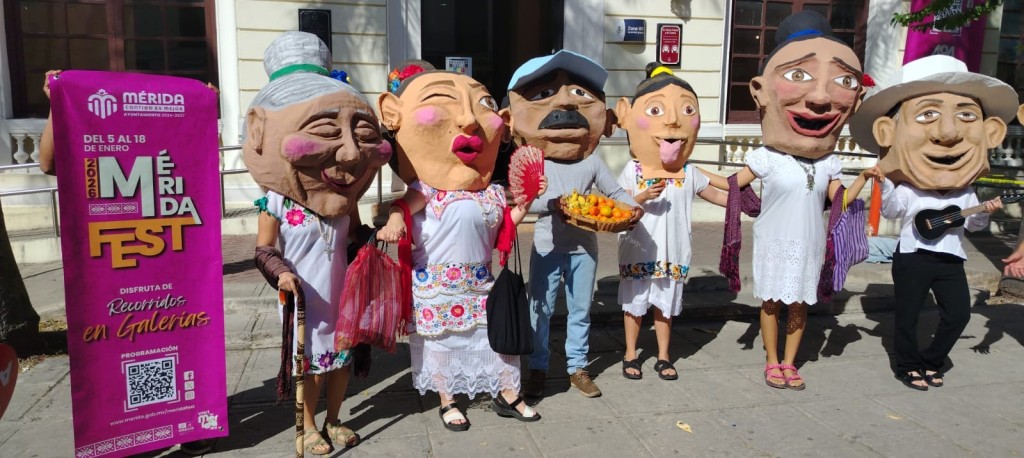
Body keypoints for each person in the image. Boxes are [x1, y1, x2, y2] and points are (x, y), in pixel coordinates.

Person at [37, 68, 220, 457]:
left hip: (173, 256)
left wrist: (204, 107)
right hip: (112, 264)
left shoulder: (172, 141)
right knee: (113, 348)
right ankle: (120, 431)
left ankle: (191, 421)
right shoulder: (90, 135)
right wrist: (57, 104)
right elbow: (50, 164)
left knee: (184, 338)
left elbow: (202, 157)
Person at [702, 11, 872, 390]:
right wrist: (691, 175)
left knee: (800, 306)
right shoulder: (767, 157)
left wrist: (863, 178)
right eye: (799, 75)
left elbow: (840, 203)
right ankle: (772, 360)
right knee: (771, 304)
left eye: (843, 80)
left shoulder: (829, 162)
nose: (819, 97)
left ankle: (791, 363)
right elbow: (733, 185)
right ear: (760, 90)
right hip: (774, 242)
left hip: (809, 245)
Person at [245, 32, 391, 454]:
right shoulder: (273, 199)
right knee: (307, 366)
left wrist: (376, 242)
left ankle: (334, 419)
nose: (346, 154)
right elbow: (264, 249)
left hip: (342, 292)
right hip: (301, 296)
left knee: (342, 359)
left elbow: (354, 239)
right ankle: (307, 426)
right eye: (326, 130)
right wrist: (283, 274)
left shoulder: (344, 200)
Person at [376, 63, 544, 431]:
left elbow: (505, 228)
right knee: (441, 345)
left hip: (481, 282)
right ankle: (447, 399)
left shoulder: (493, 192)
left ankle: (508, 394)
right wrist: (395, 220)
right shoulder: (426, 189)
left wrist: (525, 204)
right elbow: (401, 206)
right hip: (435, 285)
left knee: (497, 342)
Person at [848, 54, 1014, 390]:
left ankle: (932, 360)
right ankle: (908, 366)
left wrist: (986, 210)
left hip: (951, 259)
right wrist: (886, 182)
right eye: (928, 115)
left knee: (958, 315)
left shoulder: (967, 191)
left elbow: (974, 227)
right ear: (888, 133)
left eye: (966, 116)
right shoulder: (907, 188)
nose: (948, 132)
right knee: (907, 316)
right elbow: (893, 213)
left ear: (990, 131)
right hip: (913, 257)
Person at [503, 49, 642, 399]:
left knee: (580, 310)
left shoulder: (592, 162)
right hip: (547, 247)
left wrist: (632, 209)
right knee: (541, 310)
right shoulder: (538, 162)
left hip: (585, 249)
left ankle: (577, 367)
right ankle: (537, 367)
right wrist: (550, 203)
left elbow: (614, 194)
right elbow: (523, 201)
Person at [613, 65, 728, 380]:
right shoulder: (633, 170)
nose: (674, 120)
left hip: (672, 251)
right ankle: (630, 354)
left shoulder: (689, 172)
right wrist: (643, 196)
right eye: (656, 109)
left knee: (665, 305)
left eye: (687, 109)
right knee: (634, 304)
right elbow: (615, 206)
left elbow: (721, 192)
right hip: (638, 250)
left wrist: (755, 198)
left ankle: (664, 356)